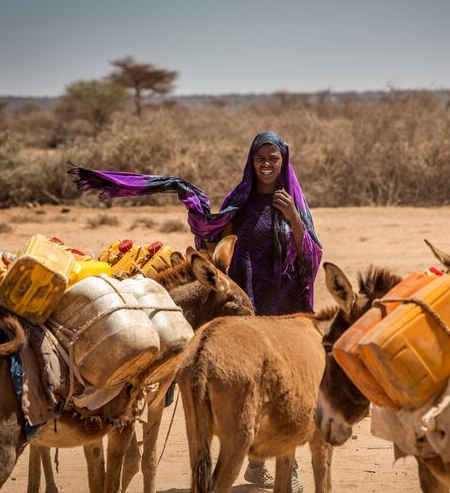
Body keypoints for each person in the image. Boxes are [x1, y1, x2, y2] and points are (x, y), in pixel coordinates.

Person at [69, 131, 322, 492]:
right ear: (252, 162)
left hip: (282, 303)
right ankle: (254, 461)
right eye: (260, 158)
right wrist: (200, 219)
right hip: (245, 302)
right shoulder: (240, 201)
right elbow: (215, 241)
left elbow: (309, 255)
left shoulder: (294, 202)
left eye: (273, 159)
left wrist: (293, 218)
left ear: (284, 163)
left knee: (283, 381)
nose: (267, 164)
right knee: (248, 378)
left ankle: (286, 463)